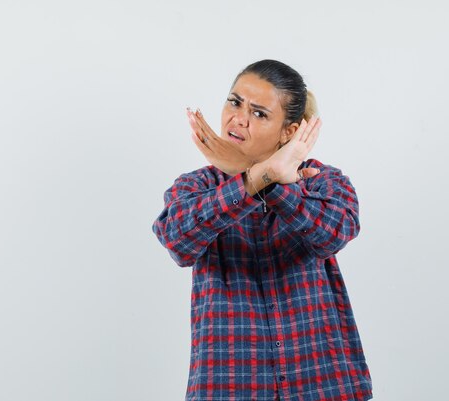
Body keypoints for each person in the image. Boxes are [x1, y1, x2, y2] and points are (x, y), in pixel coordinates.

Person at [152, 59, 373, 401]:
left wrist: (263, 179)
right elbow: (178, 241)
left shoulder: (321, 182)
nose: (238, 118)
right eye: (235, 102)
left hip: (323, 385)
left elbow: (335, 232)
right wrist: (259, 176)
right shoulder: (196, 186)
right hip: (231, 388)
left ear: (289, 131)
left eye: (259, 113)